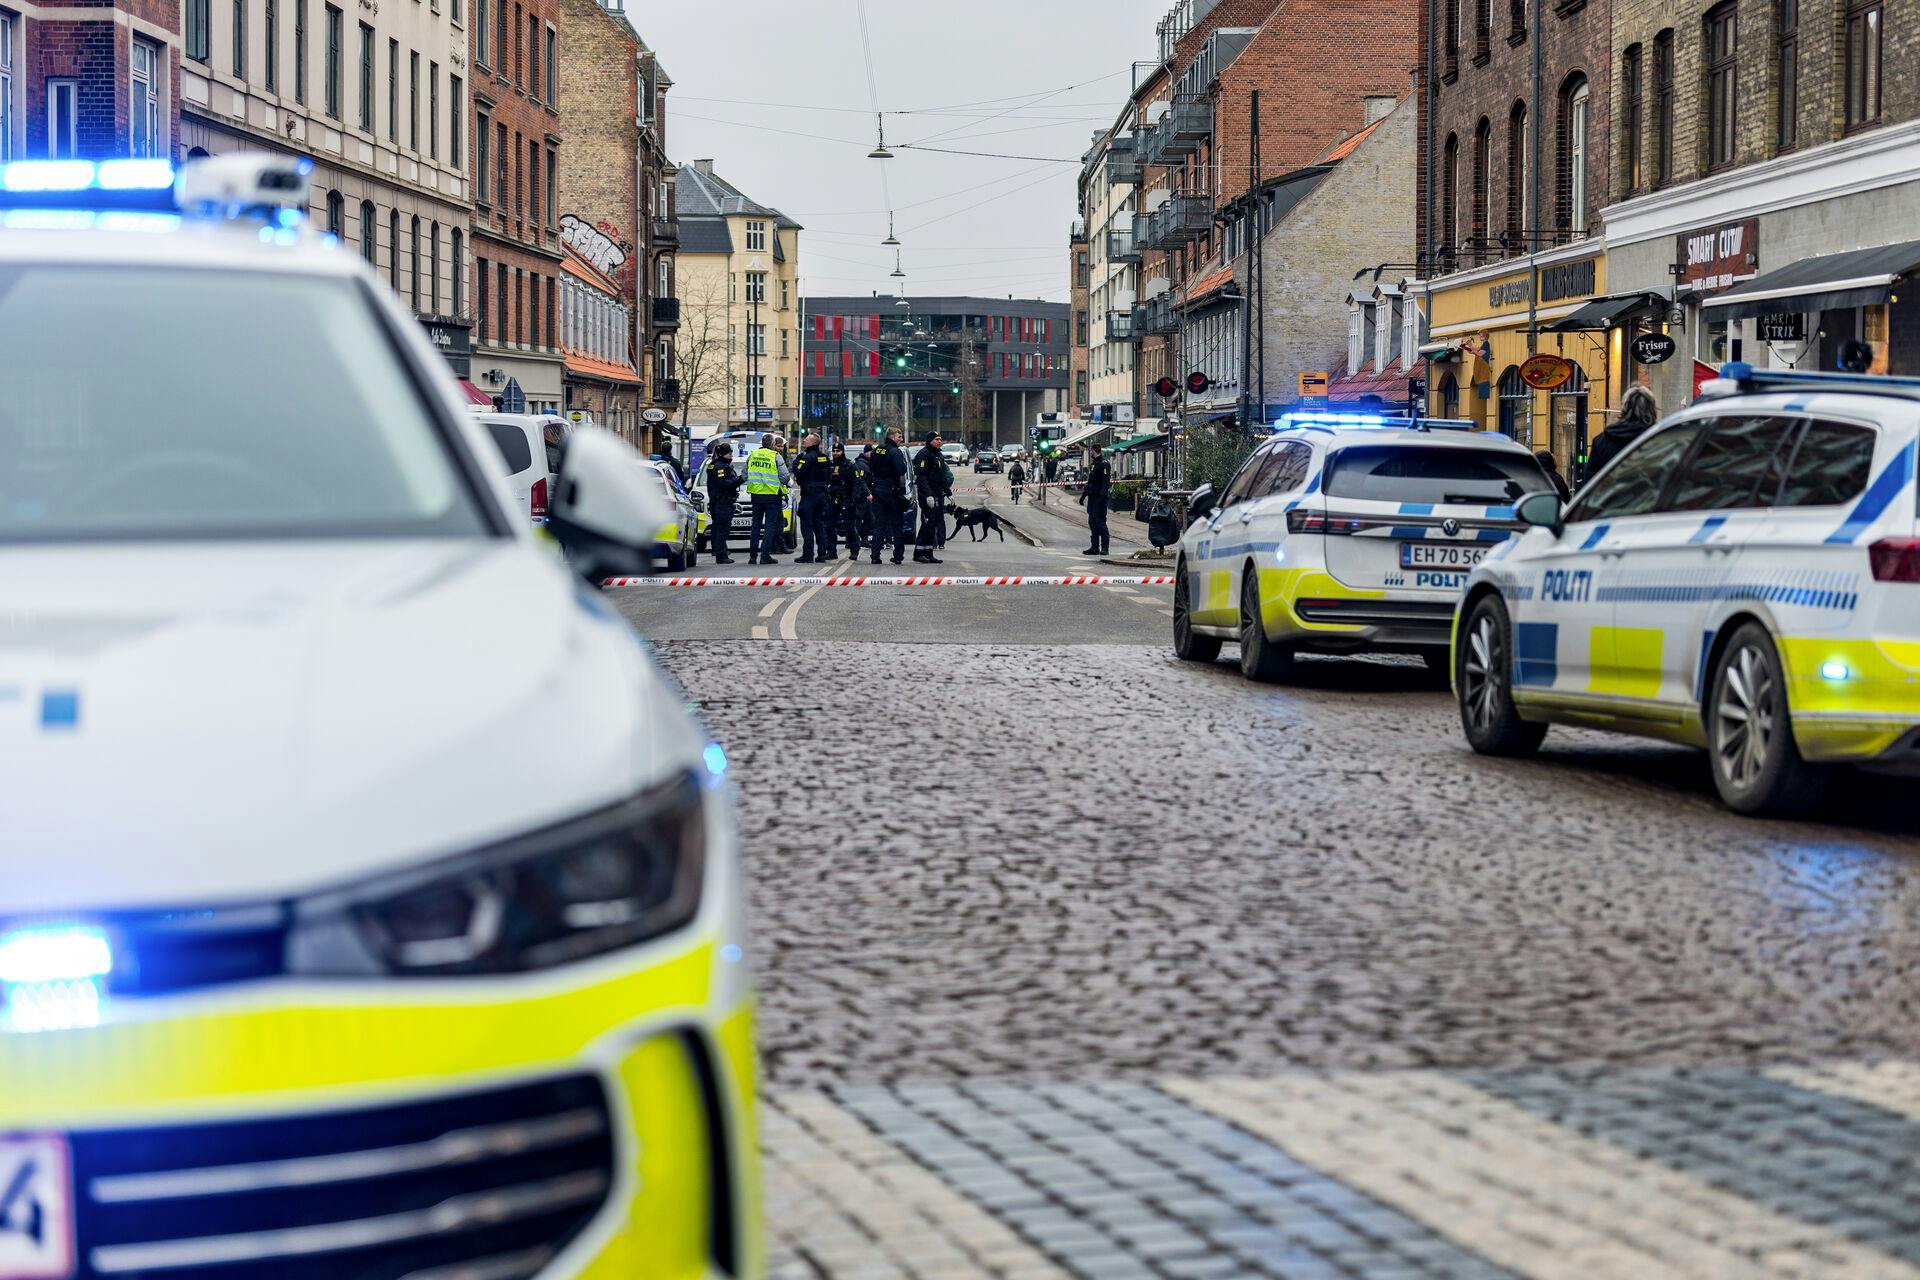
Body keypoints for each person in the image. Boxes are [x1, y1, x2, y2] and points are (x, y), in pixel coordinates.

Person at [1583, 385, 1659, 482]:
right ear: (1652, 410)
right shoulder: (1659, 440)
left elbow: (1589, 484)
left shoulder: (1601, 441)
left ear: (1624, 408)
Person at [743, 433, 790, 565]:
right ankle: (765, 555)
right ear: (772, 444)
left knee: (756, 525)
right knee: (769, 525)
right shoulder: (776, 456)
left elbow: (744, 474)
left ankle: (752, 556)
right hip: (772, 495)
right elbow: (785, 477)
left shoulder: (752, 455)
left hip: (756, 495)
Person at [866, 429, 909, 565]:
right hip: (892, 491)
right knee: (897, 524)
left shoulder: (877, 450)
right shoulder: (895, 452)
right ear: (892, 437)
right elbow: (901, 470)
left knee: (880, 524)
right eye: (899, 436)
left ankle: (875, 555)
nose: (901, 439)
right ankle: (898, 556)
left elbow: (871, 466)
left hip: (878, 489)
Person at [791, 432, 836, 563]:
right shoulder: (824, 458)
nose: (804, 441)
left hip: (809, 496)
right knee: (819, 525)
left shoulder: (807, 458)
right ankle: (822, 554)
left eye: (806, 440)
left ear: (811, 443)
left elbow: (798, 472)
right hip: (822, 495)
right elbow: (829, 476)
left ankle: (808, 554)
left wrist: (797, 462)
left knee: (806, 525)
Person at [912, 431, 952, 565]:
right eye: (936, 439)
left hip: (938, 494)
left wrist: (948, 492)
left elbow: (941, 477)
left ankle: (929, 553)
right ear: (930, 441)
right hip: (927, 496)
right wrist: (928, 494)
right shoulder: (924, 455)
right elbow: (922, 477)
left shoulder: (938, 455)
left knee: (933, 524)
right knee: (927, 524)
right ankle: (918, 552)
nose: (939, 441)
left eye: (940, 439)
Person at [704, 442, 743, 564]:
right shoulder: (721, 467)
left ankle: (721, 551)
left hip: (721, 501)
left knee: (720, 527)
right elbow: (723, 483)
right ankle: (721, 555)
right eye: (729, 454)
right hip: (722, 502)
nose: (731, 456)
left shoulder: (718, 465)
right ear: (723, 454)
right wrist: (739, 480)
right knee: (722, 529)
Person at [830, 443, 866, 557]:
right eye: (834, 451)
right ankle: (831, 551)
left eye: (838, 451)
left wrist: (853, 500)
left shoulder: (850, 465)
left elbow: (857, 483)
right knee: (830, 525)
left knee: (849, 526)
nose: (835, 453)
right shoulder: (830, 465)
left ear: (842, 452)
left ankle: (854, 549)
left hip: (847, 498)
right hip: (834, 498)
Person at [1079, 450, 1112, 556]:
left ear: (1094, 451)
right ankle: (1094, 547)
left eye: (1091, 452)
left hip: (1099, 498)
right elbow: (1090, 482)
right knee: (1092, 523)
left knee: (1101, 524)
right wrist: (1083, 496)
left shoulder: (1104, 464)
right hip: (1092, 498)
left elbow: (1105, 483)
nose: (1090, 454)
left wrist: (1102, 497)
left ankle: (1105, 548)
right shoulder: (1094, 464)